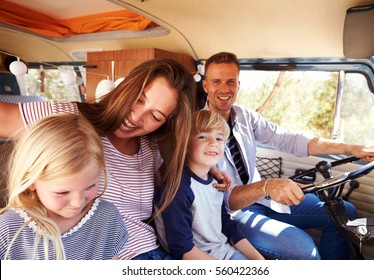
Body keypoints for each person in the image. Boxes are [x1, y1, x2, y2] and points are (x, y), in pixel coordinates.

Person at [0, 58, 229, 260]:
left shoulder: (152, 148)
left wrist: (208, 170)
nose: (136, 117)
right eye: (138, 99)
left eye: (155, 116)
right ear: (126, 87)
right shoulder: (68, 118)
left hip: (155, 251)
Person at [201, 51, 374, 260]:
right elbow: (227, 201)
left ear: (238, 85)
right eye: (217, 82)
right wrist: (267, 186)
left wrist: (351, 148)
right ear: (206, 86)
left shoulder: (244, 116)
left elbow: (290, 139)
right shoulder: (196, 131)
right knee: (307, 253)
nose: (224, 89)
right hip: (236, 215)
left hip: (264, 200)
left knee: (345, 213)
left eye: (230, 82)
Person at [0, 113, 128, 260]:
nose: (77, 202)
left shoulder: (107, 216)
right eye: (62, 192)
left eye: (90, 187)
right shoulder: (8, 229)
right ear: (31, 182)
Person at [154, 110, 264, 260]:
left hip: (223, 251)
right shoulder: (178, 187)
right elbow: (181, 246)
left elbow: (227, 226)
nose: (213, 143)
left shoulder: (217, 182)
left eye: (219, 139)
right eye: (203, 137)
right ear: (185, 143)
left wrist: (259, 259)